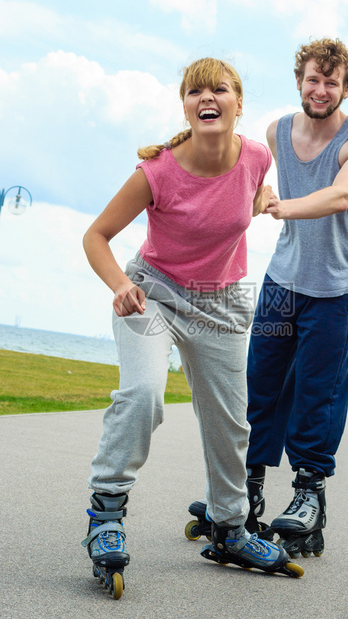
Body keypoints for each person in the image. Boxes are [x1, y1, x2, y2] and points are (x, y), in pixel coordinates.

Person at [81, 57, 303, 598]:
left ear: (237, 103)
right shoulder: (157, 170)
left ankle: (230, 527)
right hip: (152, 292)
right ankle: (106, 514)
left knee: (231, 424)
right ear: (185, 105)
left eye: (220, 90)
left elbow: (242, 202)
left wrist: (264, 201)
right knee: (142, 395)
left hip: (223, 303)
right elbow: (96, 236)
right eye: (196, 91)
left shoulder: (256, 155)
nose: (208, 98)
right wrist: (119, 285)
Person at [245, 38, 348, 559]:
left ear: (347, 87)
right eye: (313, 79)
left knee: (318, 394)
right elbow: (254, 185)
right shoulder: (276, 131)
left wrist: (284, 209)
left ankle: (308, 496)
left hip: (334, 290)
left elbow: (343, 193)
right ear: (299, 79)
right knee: (261, 386)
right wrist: (262, 197)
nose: (321, 89)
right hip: (282, 284)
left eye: (332, 81)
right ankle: (247, 490)